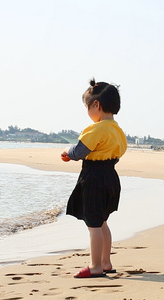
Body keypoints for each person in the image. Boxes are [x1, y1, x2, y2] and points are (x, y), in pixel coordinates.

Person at [61, 78, 127, 278]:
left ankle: (95, 266)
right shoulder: (117, 130)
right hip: (111, 176)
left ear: (96, 105)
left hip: (94, 177)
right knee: (102, 221)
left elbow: (79, 151)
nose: (87, 111)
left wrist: (66, 151)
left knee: (93, 225)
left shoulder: (96, 129)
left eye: (87, 106)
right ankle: (106, 262)